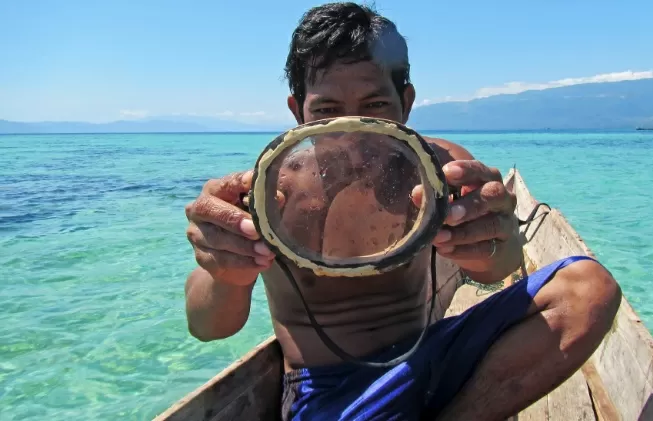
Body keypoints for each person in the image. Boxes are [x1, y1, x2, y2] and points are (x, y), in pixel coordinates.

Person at [183, 3, 622, 420]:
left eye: (375, 107)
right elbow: (207, 326)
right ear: (298, 112)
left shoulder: (440, 170)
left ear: (405, 102)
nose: (355, 133)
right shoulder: (263, 191)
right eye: (327, 111)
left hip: (433, 353)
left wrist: (489, 243)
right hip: (333, 391)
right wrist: (226, 271)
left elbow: (498, 269)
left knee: (588, 288)